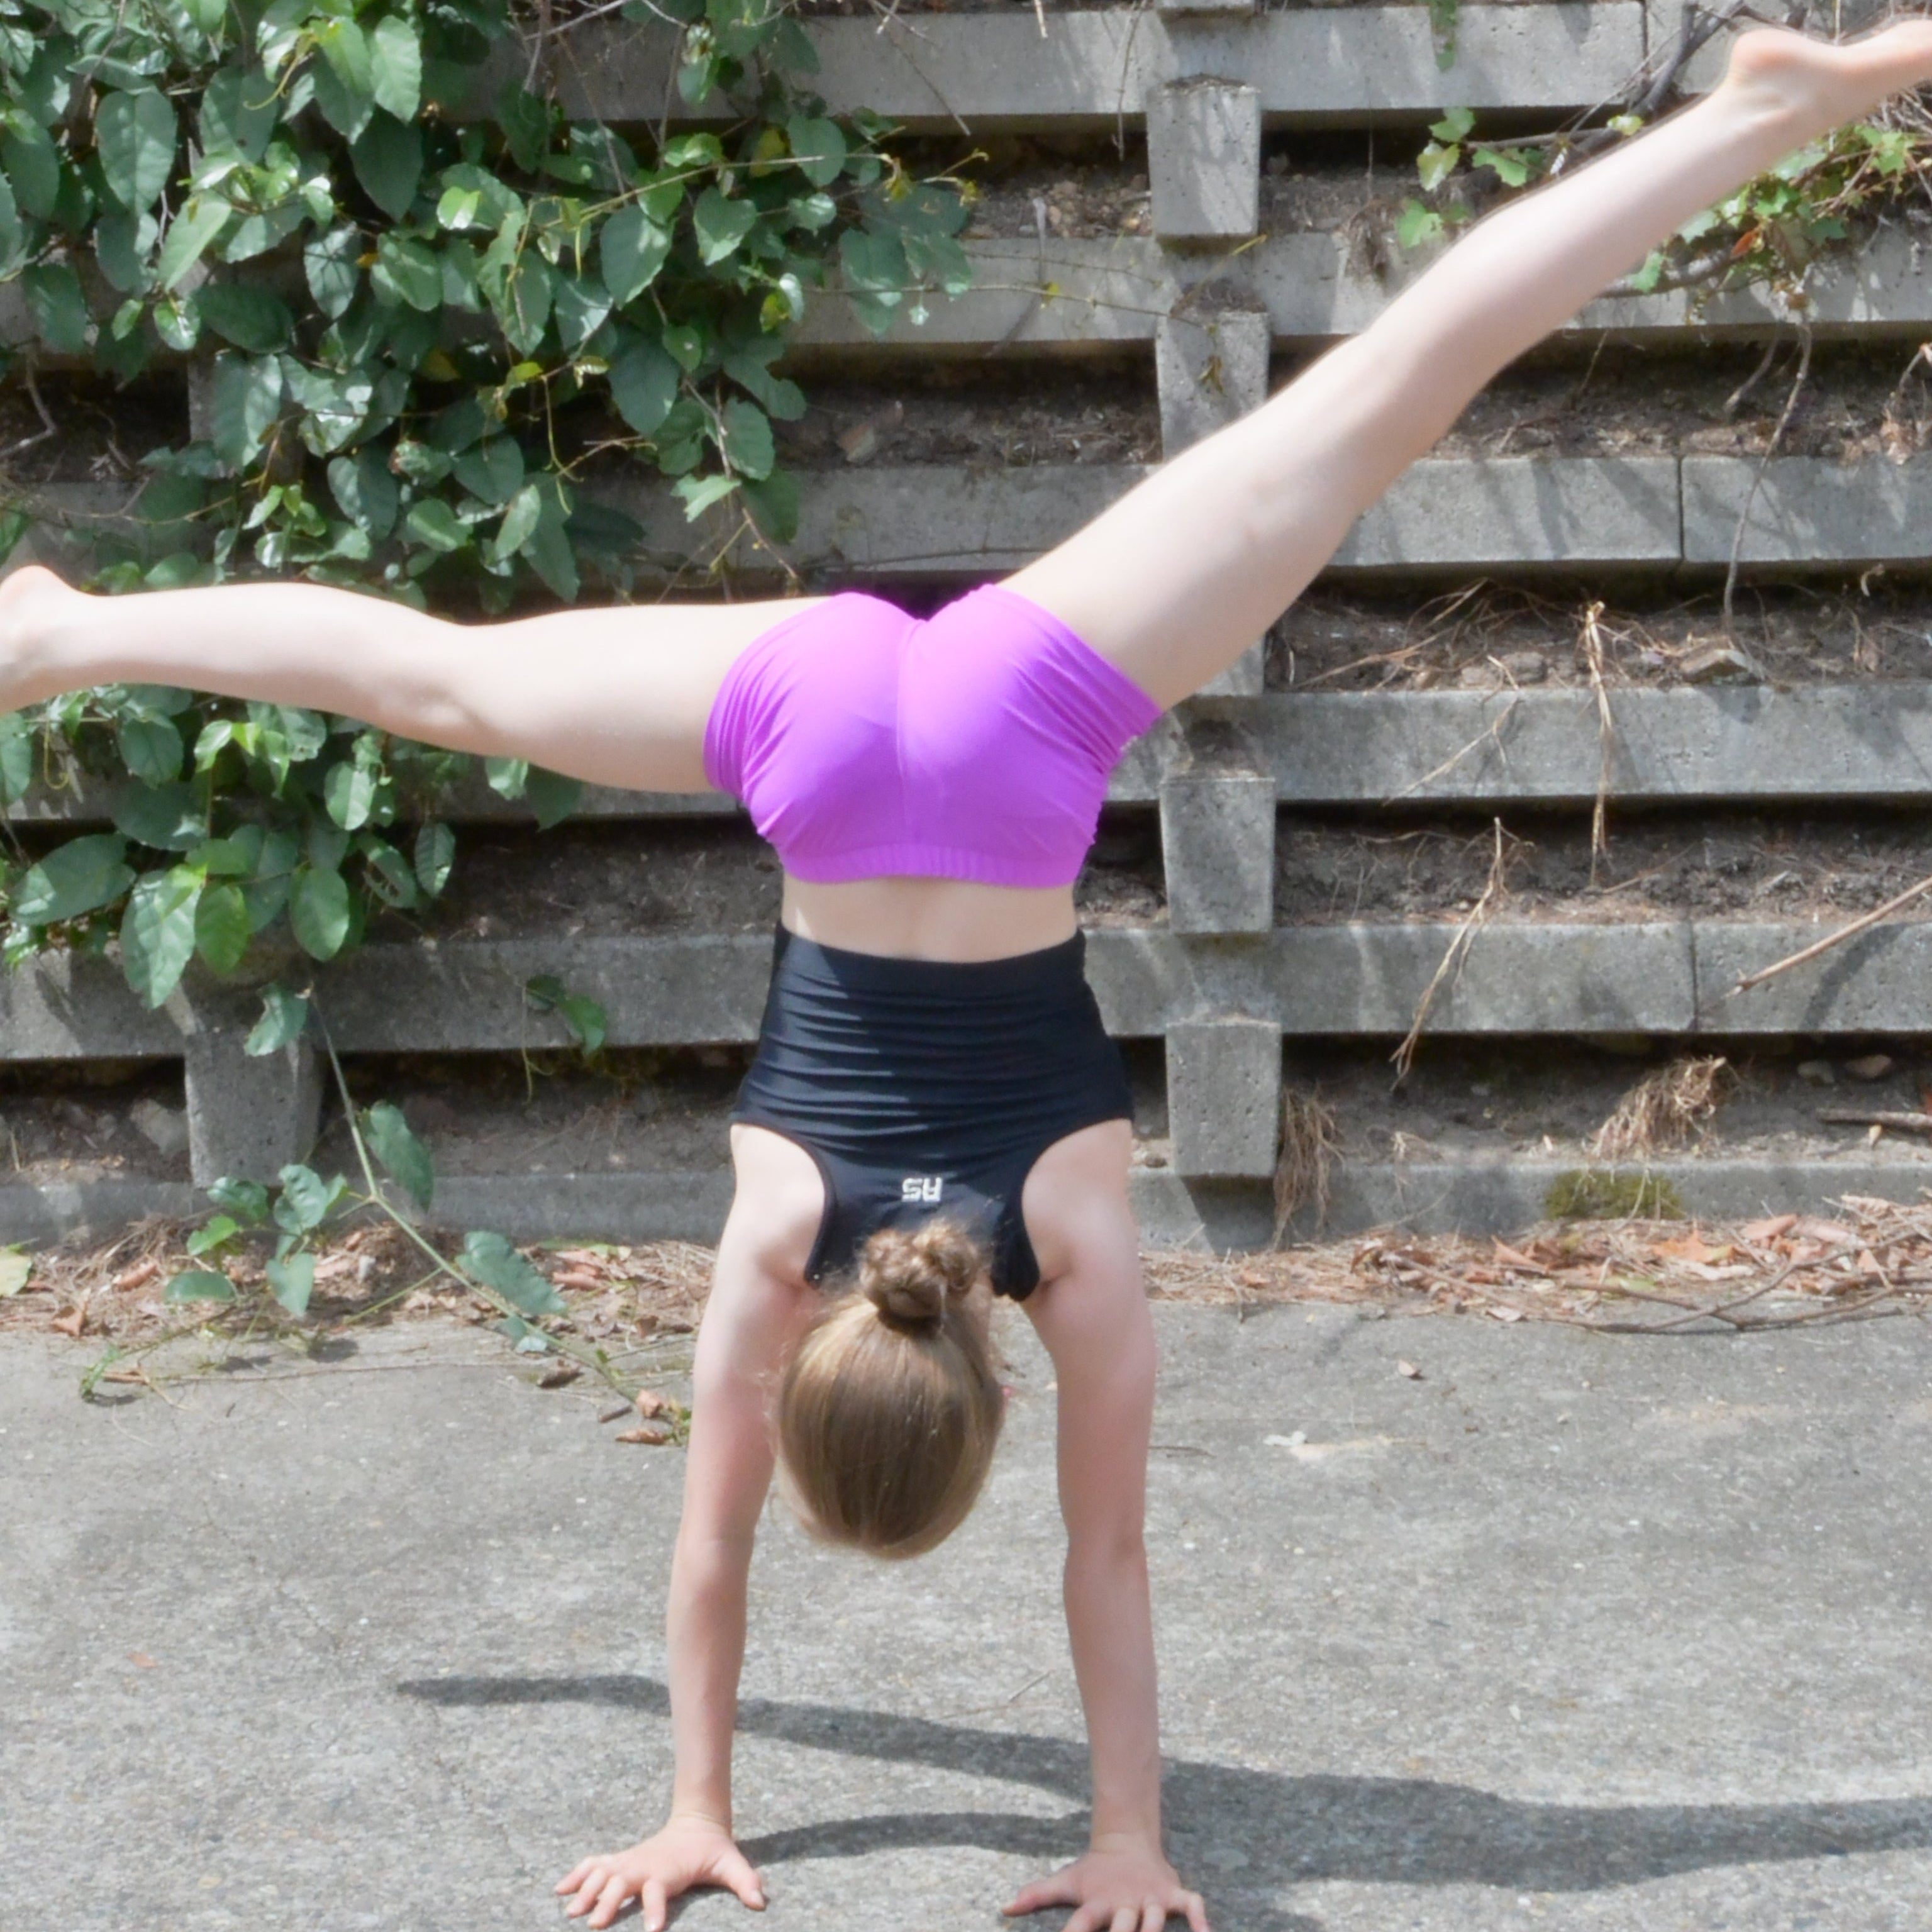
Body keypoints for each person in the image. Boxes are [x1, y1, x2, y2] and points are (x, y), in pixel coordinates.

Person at [3, 21, 1931, 1927]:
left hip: (1020, 741)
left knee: (1386, 402)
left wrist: (1130, 1844)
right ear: (834, 1355)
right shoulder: (776, 1245)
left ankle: (1750, 126)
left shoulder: (1069, 1236)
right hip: (825, 739)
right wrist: (686, 1796)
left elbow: (1107, 1558)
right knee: (433, 677)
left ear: (985, 1383)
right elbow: (710, 1543)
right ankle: (75, 633)